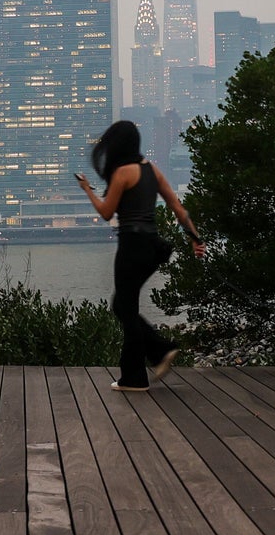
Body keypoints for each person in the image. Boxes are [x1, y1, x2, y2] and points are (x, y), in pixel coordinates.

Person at [76, 120, 204, 392]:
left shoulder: (122, 172)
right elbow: (178, 209)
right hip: (153, 246)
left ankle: (136, 376)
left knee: (126, 308)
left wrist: (87, 190)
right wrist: (196, 240)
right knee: (123, 306)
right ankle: (158, 351)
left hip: (132, 245)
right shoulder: (151, 170)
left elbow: (106, 212)